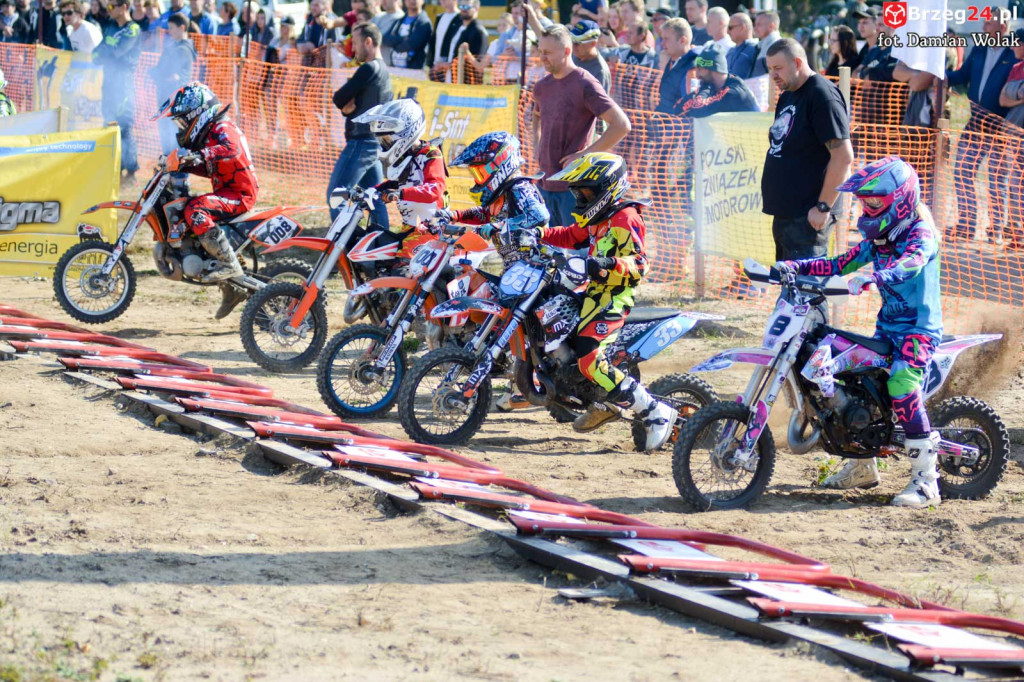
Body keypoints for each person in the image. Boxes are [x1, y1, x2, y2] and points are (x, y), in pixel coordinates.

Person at [775, 157, 944, 509]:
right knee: (853, 381)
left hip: (918, 333)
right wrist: (793, 267)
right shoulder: (880, 238)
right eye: (864, 203)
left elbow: (911, 262)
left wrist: (876, 276)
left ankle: (927, 481)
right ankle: (863, 463)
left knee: (901, 384)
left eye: (874, 202)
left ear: (900, 199)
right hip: (887, 329)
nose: (866, 209)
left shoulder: (920, 233)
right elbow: (839, 263)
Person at [514, 153, 676, 452]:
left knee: (589, 357)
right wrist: (538, 234)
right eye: (578, 192)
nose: (580, 198)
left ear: (607, 188)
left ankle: (655, 411)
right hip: (591, 291)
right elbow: (571, 235)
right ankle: (597, 397)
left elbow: (640, 264)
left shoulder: (625, 218)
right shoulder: (598, 217)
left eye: (586, 192)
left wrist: (605, 263)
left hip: (613, 297)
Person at [153, 82, 260, 317]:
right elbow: (211, 168)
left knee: (195, 209)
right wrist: (183, 165)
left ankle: (228, 264)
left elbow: (231, 149)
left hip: (240, 195)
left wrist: (198, 155)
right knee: (187, 210)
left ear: (197, 114)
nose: (181, 128)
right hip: (227, 193)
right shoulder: (211, 133)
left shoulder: (223, 127)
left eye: (183, 122)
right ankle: (232, 288)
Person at [528, 22, 630, 226]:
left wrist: (584, 154)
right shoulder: (541, 87)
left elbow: (621, 125)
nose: (542, 57)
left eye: (548, 52)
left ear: (566, 51)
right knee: (547, 244)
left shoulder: (585, 83)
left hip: (574, 189)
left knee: (576, 246)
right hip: (544, 184)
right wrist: (537, 145)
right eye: (541, 51)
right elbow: (536, 115)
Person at [763, 38, 853, 261]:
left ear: (797, 63)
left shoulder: (822, 95)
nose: (773, 75)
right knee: (788, 280)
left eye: (778, 68)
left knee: (808, 281)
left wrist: (823, 206)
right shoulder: (788, 94)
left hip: (809, 215)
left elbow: (843, 157)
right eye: (770, 69)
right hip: (787, 212)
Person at [948, 12, 1016, 243]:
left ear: (1003, 26)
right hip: (975, 123)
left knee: (997, 180)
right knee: (962, 171)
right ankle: (966, 224)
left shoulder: (1014, 52)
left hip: (1001, 126)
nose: (983, 25)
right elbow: (962, 76)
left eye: (989, 22)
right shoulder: (979, 48)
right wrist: (938, 74)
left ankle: (996, 229)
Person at [355, 98, 448, 247]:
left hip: (432, 228)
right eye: (381, 139)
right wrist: (373, 190)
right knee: (377, 252)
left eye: (387, 138)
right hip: (410, 226)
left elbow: (435, 189)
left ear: (405, 132)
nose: (384, 143)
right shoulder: (407, 155)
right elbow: (397, 183)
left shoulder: (431, 154)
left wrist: (400, 194)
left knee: (401, 261)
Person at [327, 22, 391, 227]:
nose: (353, 49)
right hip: (372, 142)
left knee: (336, 195)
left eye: (355, 43)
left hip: (362, 141)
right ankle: (383, 243)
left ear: (368, 42)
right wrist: (349, 109)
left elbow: (339, 98)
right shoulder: (383, 70)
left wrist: (348, 109)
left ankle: (344, 243)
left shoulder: (369, 68)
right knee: (375, 200)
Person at [93, 0, 141, 189]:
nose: (109, 9)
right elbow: (95, 54)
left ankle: (131, 173)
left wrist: (106, 51)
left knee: (124, 127)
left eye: (113, 6)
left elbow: (117, 52)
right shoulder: (110, 26)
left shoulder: (133, 29)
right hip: (108, 82)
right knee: (109, 124)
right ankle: (115, 170)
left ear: (124, 7)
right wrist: (106, 51)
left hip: (123, 83)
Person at [151, 12, 195, 153]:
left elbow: (169, 73)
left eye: (171, 28)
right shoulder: (172, 47)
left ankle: (180, 166)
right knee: (166, 133)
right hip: (166, 96)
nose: (169, 31)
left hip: (177, 99)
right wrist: (157, 73)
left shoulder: (184, 49)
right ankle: (169, 162)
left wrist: (161, 74)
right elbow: (160, 70)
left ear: (182, 28)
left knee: (177, 134)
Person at [677, 44, 759, 117]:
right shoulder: (712, 86)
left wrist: (705, 87)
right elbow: (677, 108)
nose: (697, 75)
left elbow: (698, 110)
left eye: (700, 69)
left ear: (714, 69)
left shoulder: (734, 91)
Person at [381, 0, 430, 68]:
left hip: (414, 70)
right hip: (395, 67)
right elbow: (385, 39)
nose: (412, 1)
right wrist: (403, 39)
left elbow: (412, 43)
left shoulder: (424, 23)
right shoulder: (399, 21)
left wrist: (395, 45)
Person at [568, 19, 609, 92]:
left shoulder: (600, 72)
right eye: (572, 41)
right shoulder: (572, 55)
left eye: (578, 43)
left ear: (593, 43)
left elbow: (598, 99)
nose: (573, 46)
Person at [424, 0, 458, 79]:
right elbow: (434, 41)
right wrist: (430, 63)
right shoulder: (440, 17)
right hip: (435, 68)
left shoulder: (460, 19)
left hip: (450, 70)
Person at [725, 12, 757, 78]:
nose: (727, 32)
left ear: (742, 27)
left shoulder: (755, 49)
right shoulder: (730, 51)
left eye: (730, 28)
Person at [749, 9, 779, 77]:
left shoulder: (776, 46)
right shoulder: (763, 45)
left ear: (771, 26)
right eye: (755, 25)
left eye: (759, 24)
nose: (755, 28)